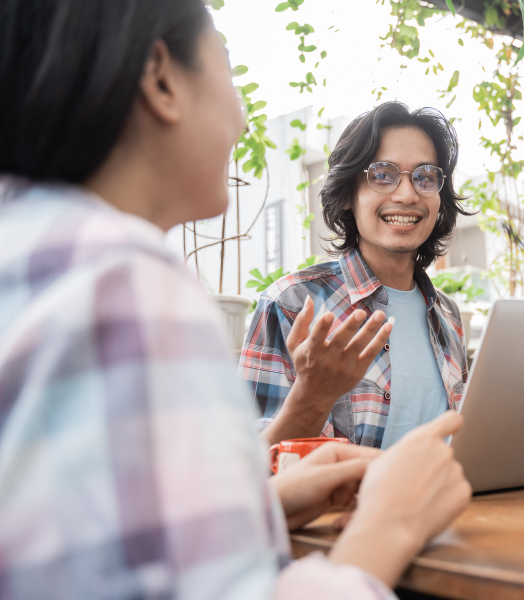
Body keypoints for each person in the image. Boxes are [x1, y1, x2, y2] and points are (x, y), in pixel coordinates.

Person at [0, 1, 471, 599]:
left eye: (425, 177)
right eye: (226, 65)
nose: (245, 119)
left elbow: (108, 545)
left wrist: (263, 503)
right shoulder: (124, 285)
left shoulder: (36, 252)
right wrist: (391, 520)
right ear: (162, 78)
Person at [240, 102, 470, 449]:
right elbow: (249, 467)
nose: (407, 194)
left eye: (424, 177)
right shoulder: (291, 305)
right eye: (382, 174)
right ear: (348, 193)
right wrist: (312, 395)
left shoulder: (448, 315)